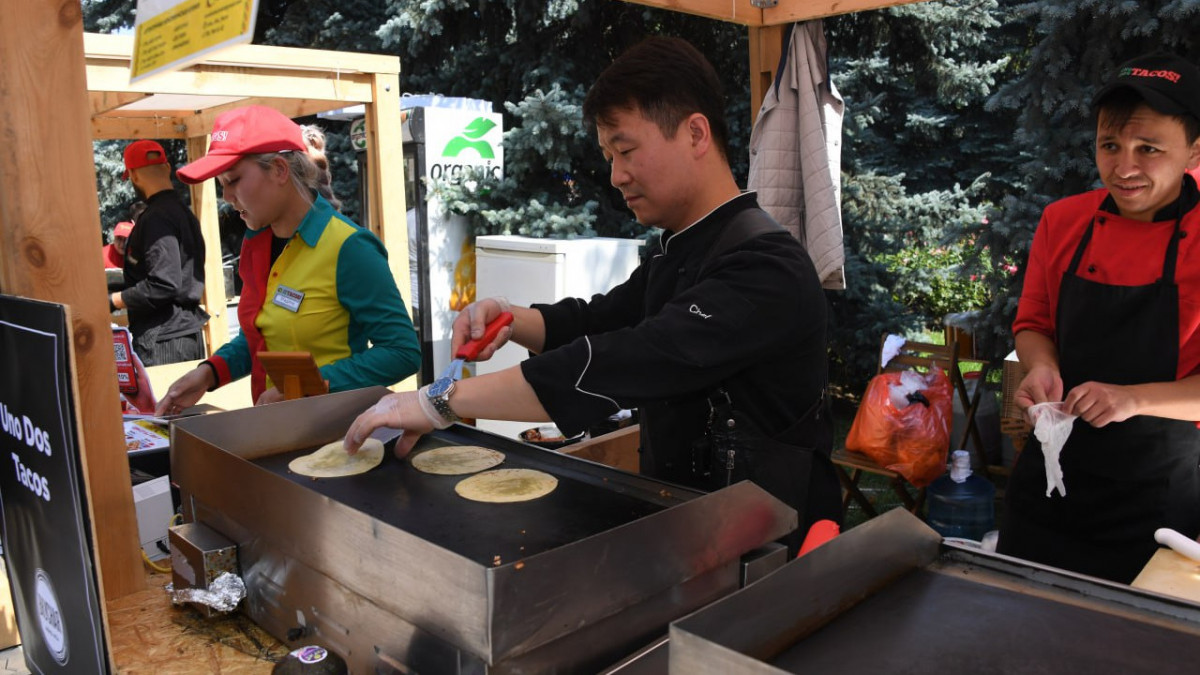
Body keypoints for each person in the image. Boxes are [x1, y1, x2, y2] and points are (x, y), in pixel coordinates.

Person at [344, 37, 842, 552]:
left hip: (776, 552)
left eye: (626, 151)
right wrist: (513, 319)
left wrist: (440, 400)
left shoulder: (766, 268)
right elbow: (602, 321)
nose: (615, 175)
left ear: (695, 133)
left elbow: (639, 358)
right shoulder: (678, 250)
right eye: (608, 156)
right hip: (697, 532)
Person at [1000, 53, 1200, 583]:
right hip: (1051, 484)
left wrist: (1134, 398)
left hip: (1161, 502)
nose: (1124, 167)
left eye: (1149, 149)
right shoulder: (1063, 221)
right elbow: (1035, 323)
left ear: (1195, 150)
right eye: (1109, 145)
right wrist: (1040, 367)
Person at [153, 106, 420, 413]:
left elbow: (402, 352)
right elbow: (261, 336)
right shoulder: (256, 244)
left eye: (234, 180)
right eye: (221, 184)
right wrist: (207, 373)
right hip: (278, 431)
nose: (227, 196)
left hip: (338, 436)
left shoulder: (350, 247)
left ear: (279, 170)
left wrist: (311, 384)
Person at [110, 140, 209, 365]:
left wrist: (115, 300)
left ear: (134, 176)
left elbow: (164, 283)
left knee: (163, 401)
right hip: (183, 333)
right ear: (167, 168)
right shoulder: (183, 213)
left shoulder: (155, 218)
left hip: (163, 338)